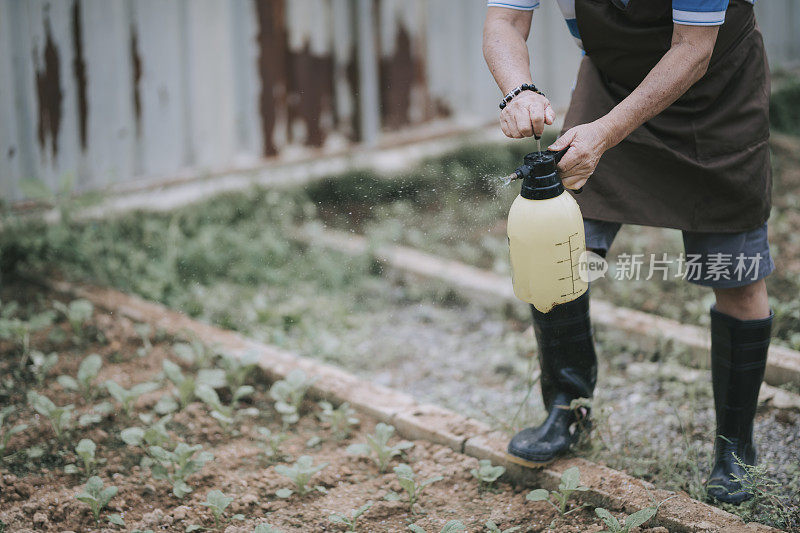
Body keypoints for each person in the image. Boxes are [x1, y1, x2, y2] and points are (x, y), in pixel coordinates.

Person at [483, 0, 774, 505]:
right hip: (611, 85)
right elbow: (504, 21)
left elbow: (693, 48)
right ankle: (566, 412)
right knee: (561, 254)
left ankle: (735, 446)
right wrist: (518, 89)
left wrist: (607, 133)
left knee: (737, 275)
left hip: (717, 93)